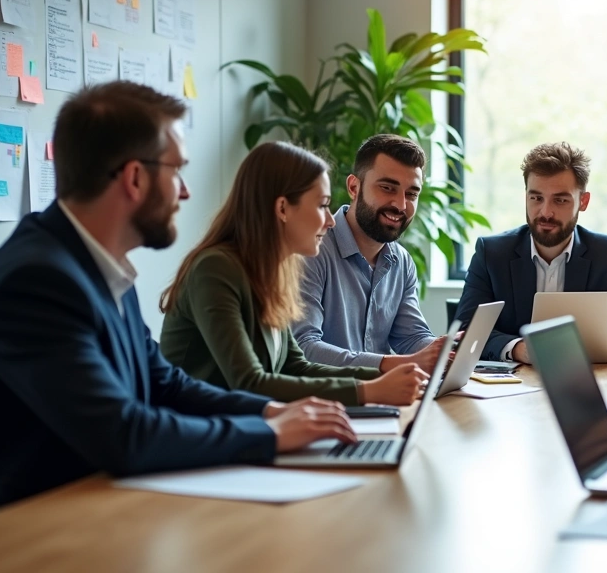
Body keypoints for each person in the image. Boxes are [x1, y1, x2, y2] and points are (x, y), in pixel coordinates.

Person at [0, 82, 356, 521]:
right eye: (177, 171)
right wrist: (269, 432)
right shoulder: (35, 282)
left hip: (93, 509)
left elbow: (167, 385)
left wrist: (274, 410)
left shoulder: (96, 266)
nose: (184, 192)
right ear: (135, 178)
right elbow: (124, 433)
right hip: (19, 534)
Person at [159, 142, 428, 406]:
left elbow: (295, 365)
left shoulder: (271, 272)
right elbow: (250, 381)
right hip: (201, 437)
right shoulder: (215, 269)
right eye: (322, 205)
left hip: (241, 428)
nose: (331, 220)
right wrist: (369, 390)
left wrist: (382, 379)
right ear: (283, 209)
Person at [455, 142, 607, 363]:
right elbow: (467, 330)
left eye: (560, 200)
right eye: (536, 198)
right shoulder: (491, 253)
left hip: (592, 379)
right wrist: (518, 349)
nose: (545, 212)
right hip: (513, 387)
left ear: (583, 201)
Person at [293, 134, 447, 371]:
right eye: (387, 188)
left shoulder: (402, 262)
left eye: (411, 194)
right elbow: (304, 347)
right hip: (327, 399)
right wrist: (390, 364)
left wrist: (443, 351)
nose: (400, 205)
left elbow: (411, 337)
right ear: (354, 187)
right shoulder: (312, 251)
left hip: (382, 398)